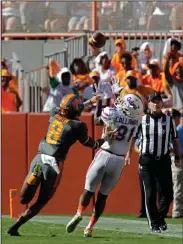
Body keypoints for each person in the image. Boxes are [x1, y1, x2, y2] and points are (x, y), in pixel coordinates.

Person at [7, 93, 113, 236]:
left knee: (23, 199)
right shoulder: (77, 125)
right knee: (42, 200)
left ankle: (34, 176)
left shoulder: (54, 113)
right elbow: (91, 144)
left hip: (39, 157)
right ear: (73, 110)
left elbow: (72, 108)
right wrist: (105, 138)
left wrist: (90, 101)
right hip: (54, 163)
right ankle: (16, 226)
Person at [66, 93, 144, 237]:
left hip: (105, 154)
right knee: (103, 196)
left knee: (88, 190)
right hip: (119, 160)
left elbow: (96, 121)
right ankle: (89, 227)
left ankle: (79, 213)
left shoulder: (111, 112)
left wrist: (100, 104)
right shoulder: (138, 120)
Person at [126, 92, 181, 233]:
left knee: (168, 193)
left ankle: (160, 217)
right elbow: (132, 138)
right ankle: (154, 224)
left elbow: (174, 140)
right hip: (147, 160)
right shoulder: (141, 120)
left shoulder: (169, 121)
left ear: (162, 103)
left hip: (163, 159)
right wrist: (128, 155)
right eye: (153, 101)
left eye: (158, 101)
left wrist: (177, 157)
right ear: (148, 104)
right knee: (150, 193)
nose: (156, 104)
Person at [171, 109, 183, 218]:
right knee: (178, 187)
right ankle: (177, 212)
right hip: (178, 160)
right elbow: (171, 147)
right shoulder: (177, 130)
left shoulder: (178, 129)